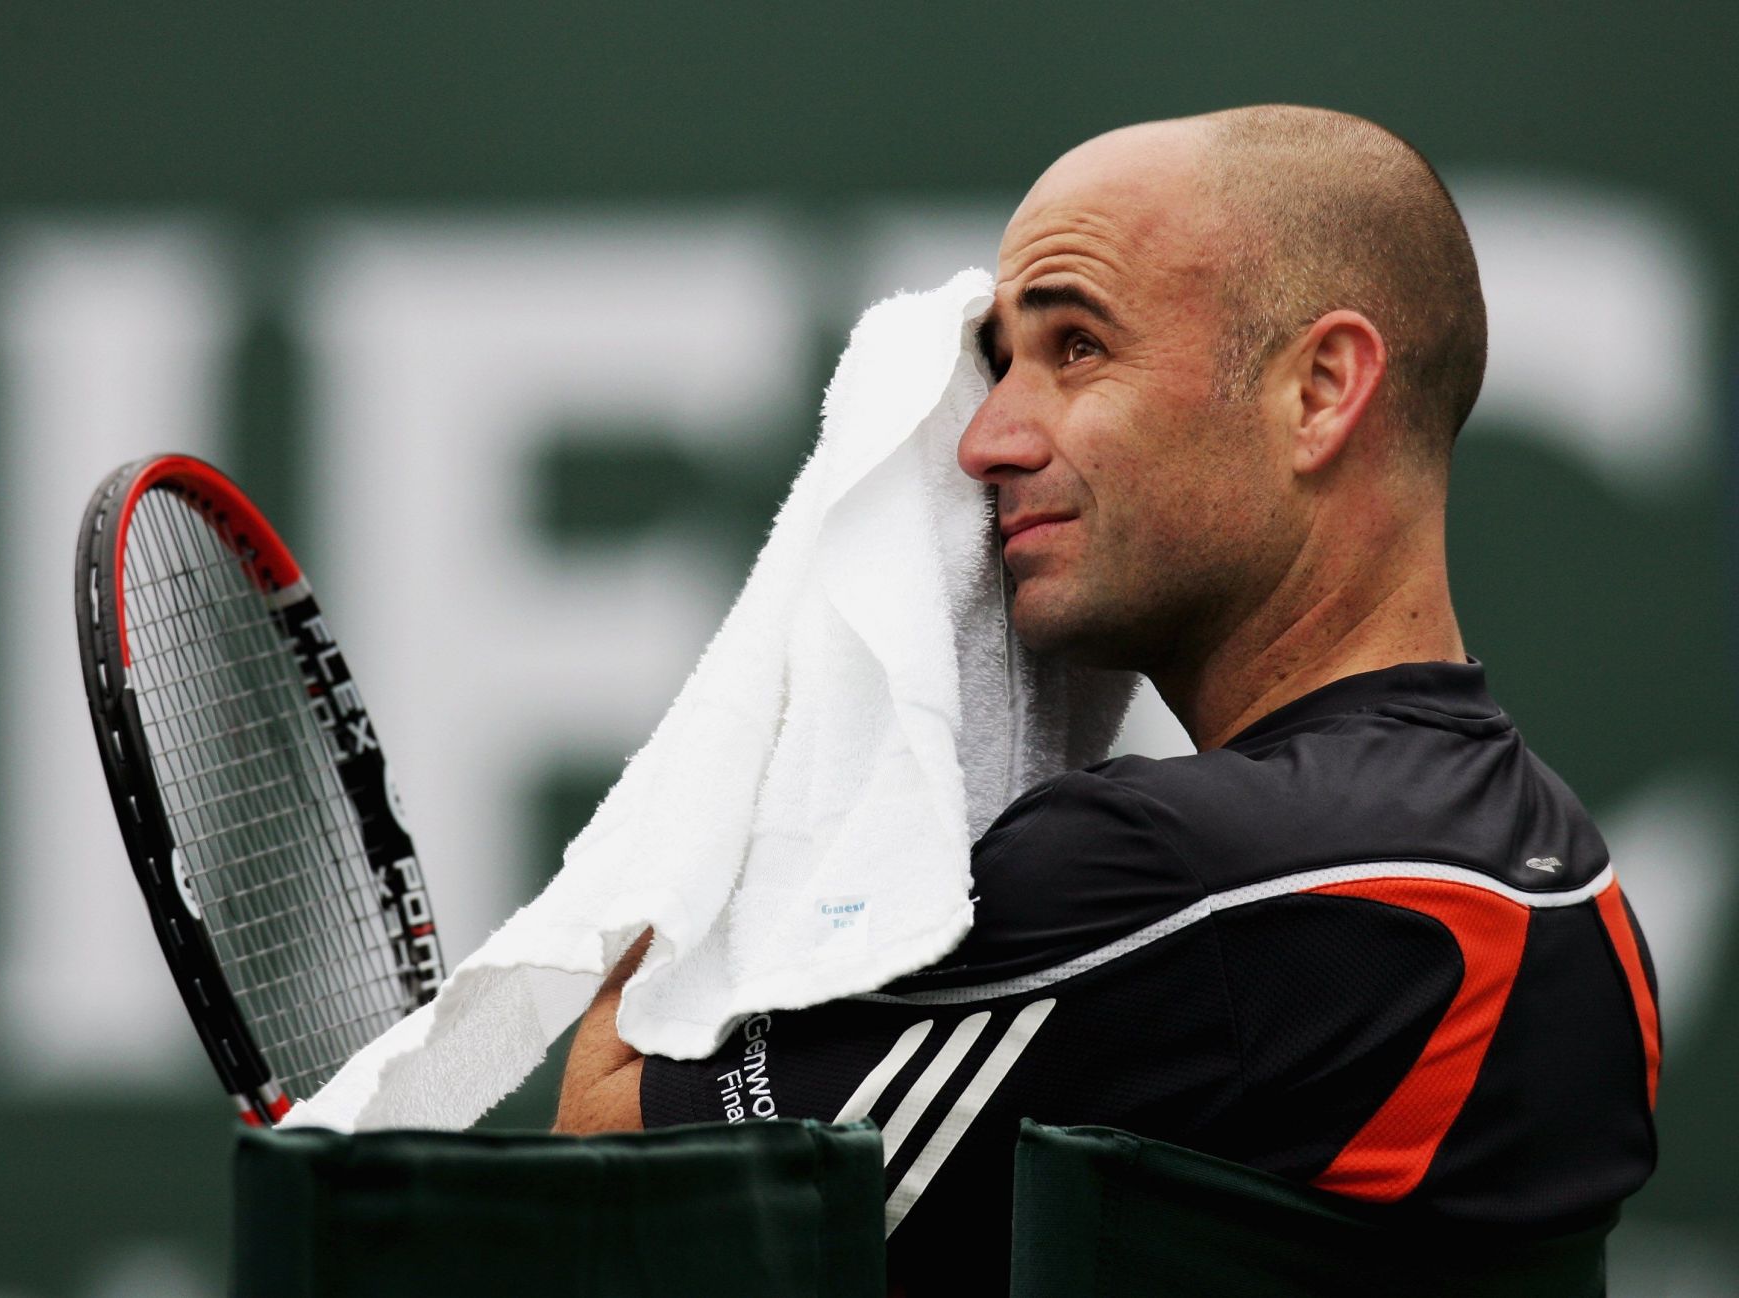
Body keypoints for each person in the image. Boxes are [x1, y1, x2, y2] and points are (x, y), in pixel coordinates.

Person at [552, 105, 1661, 1294]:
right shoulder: (1577, 883)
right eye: (1001, 364)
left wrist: (797, 686)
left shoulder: (1172, 878)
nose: (984, 439)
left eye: (1076, 346)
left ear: (1322, 389)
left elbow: (610, 1187)